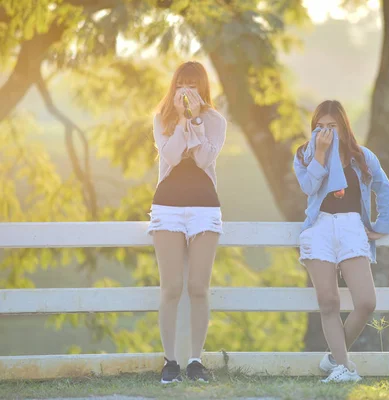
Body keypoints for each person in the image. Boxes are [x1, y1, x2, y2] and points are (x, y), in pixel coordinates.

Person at [293, 100, 389, 383]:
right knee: (329, 301)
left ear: (343, 126)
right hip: (319, 228)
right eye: (319, 127)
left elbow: (384, 190)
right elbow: (309, 187)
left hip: (352, 227)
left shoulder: (361, 157)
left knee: (365, 301)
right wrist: (321, 155)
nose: (325, 132)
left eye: (331, 126)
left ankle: (333, 358)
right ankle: (343, 367)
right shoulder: (305, 155)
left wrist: (381, 226)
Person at [147, 61, 227, 384]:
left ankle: (195, 360)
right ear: (174, 85)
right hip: (167, 206)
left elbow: (205, 158)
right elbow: (171, 155)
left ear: (203, 87)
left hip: (205, 207)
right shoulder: (161, 118)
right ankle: (170, 362)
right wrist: (181, 120)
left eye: (194, 83)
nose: (187, 89)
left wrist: (196, 120)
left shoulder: (215, 120)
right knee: (171, 287)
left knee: (198, 287)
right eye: (182, 82)